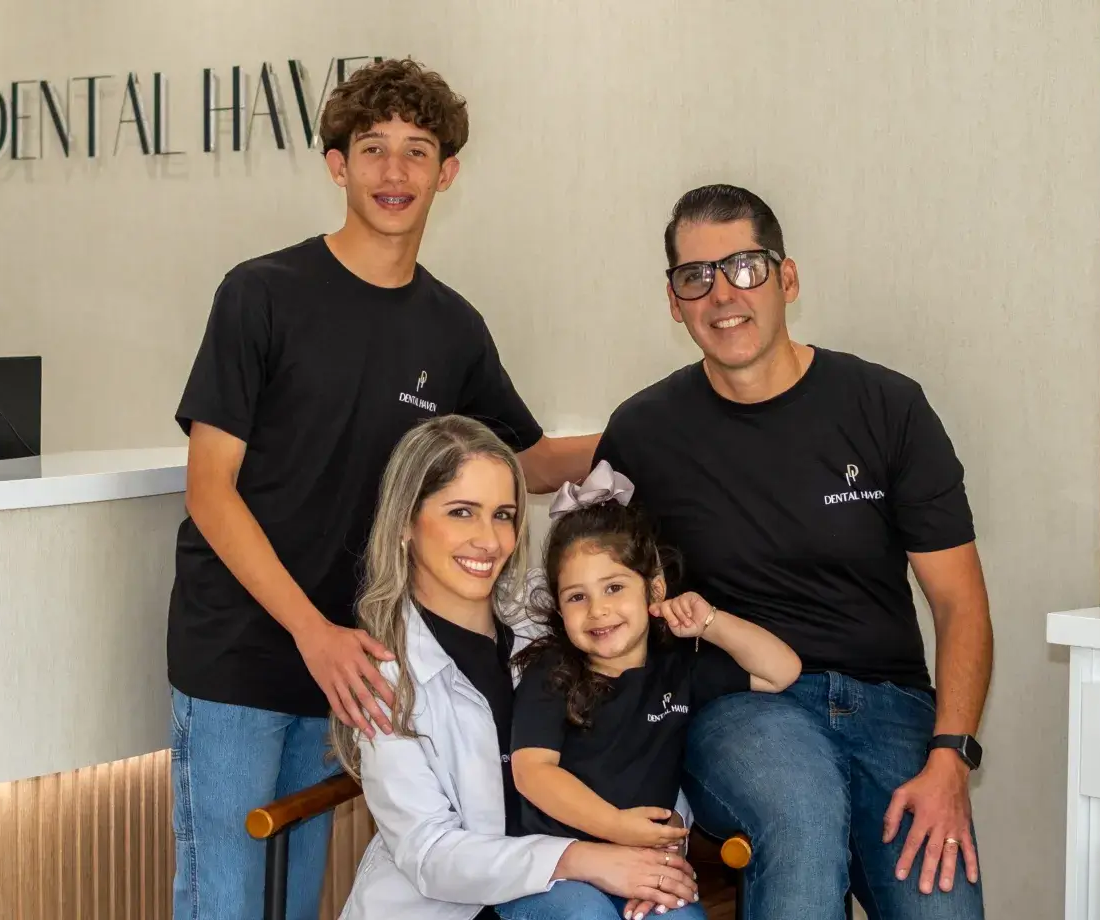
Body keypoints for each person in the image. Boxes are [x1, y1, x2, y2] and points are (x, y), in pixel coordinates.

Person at [165, 59, 596, 920]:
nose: (394, 173)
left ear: (448, 173)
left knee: (291, 894)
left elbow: (530, 462)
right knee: (225, 899)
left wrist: (658, 431)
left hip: (360, 660)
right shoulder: (260, 295)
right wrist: (310, 633)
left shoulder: (452, 326)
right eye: (373, 150)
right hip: (243, 652)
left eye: (416, 151)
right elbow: (210, 492)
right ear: (338, 165)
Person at [593, 184, 995, 920]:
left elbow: (959, 601)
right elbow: (601, 592)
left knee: (939, 901)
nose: (722, 295)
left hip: (893, 709)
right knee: (802, 815)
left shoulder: (886, 407)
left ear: (787, 279)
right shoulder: (644, 432)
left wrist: (950, 758)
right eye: (696, 277)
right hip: (740, 707)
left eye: (745, 267)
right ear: (674, 301)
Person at [332, 415, 702, 920]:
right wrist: (587, 860)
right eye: (462, 512)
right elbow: (431, 854)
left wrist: (658, 847)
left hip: (585, 873)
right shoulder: (381, 676)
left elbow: (648, 729)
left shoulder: (555, 624)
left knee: (674, 911)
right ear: (404, 524)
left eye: (503, 514)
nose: (489, 540)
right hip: (446, 905)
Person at [494, 460, 801, 920]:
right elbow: (532, 773)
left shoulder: (679, 667)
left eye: (614, 587)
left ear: (654, 590)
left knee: (679, 918)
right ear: (558, 608)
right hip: (553, 868)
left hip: (644, 865)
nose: (598, 611)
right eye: (577, 597)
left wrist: (711, 623)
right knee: (584, 915)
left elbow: (782, 670)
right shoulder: (552, 671)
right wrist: (618, 827)